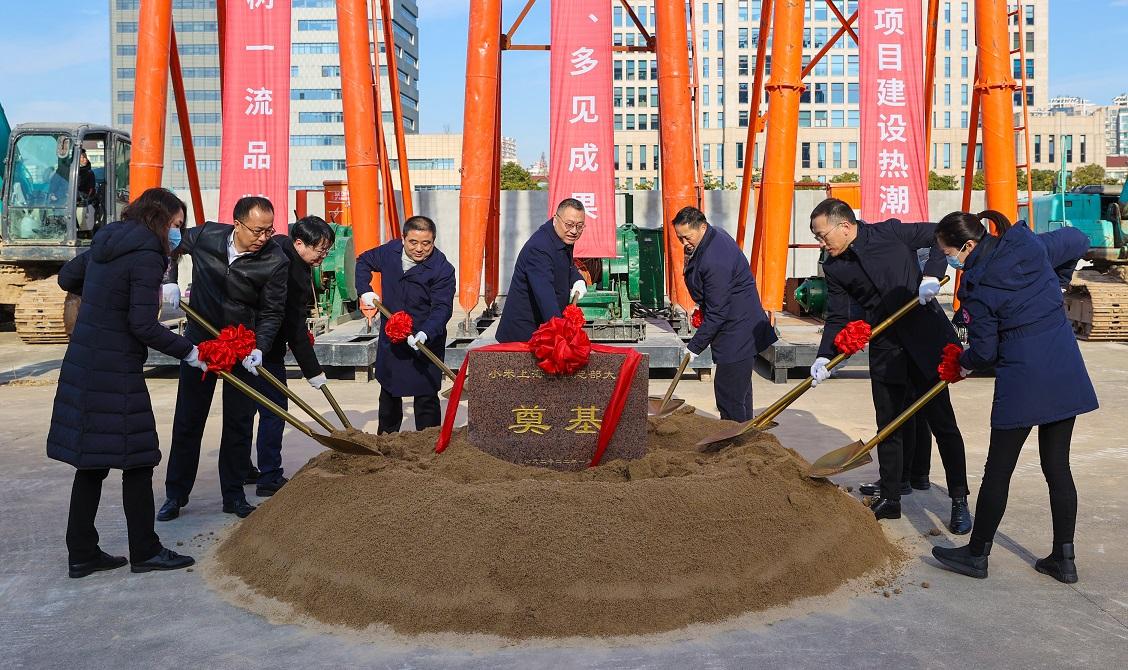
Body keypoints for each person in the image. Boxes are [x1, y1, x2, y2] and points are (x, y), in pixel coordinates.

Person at [930, 211, 1097, 582]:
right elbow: (1078, 240)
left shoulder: (978, 288)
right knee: (1057, 466)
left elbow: (985, 353)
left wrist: (962, 364)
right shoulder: (1029, 245)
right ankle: (1064, 559)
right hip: (1062, 365)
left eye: (949, 253)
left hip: (1023, 377)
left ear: (968, 246)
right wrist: (1057, 286)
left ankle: (977, 555)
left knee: (999, 469)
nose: (949, 260)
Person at [47, 187, 203, 577]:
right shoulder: (147, 254)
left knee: (92, 462)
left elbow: (67, 277)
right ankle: (145, 551)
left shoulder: (108, 241)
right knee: (139, 459)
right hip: (116, 370)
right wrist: (189, 351)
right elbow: (143, 325)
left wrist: (104, 296)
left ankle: (82, 553)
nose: (178, 233)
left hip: (85, 363)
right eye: (176, 224)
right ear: (160, 219)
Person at [808, 198, 971, 532]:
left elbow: (939, 236)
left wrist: (932, 274)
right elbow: (839, 315)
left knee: (942, 423)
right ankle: (891, 497)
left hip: (925, 340)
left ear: (844, 226)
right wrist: (825, 355)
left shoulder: (890, 232)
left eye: (823, 236)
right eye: (817, 238)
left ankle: (959, 499)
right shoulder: (835, 267)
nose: (821, 243)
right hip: (886, 347)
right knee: (889, 425)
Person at [158, 196, 289, 521]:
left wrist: (260, 347)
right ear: (237, 224)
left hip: (241, 346)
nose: (263, 238)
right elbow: (169, 245)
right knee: (188, 419)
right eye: (257, 231)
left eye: (269, 230)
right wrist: (169, 279)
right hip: (200, 343)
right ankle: (175, 494)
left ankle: (233, 495)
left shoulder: (275, 259)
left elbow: (272, 311)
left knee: (239, 423)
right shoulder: (206, 236)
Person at [247, 216, 336, 496]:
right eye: (320, 250)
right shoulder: (291, 272)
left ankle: (242, 467)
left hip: (244, 342)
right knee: (274, 410)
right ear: (299, 243)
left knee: (244, 411)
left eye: (327, 250)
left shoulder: (278, 246)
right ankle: (269, 476)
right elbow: (294, 327)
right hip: (264, 348)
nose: (323, 256)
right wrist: (313, 371)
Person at [671, 206, 777, 421]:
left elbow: (718, 312)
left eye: (687, 237)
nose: (684, 243)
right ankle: (743, 433)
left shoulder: (715, 258)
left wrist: (694, 346)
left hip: (739, 330)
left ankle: (733, 436)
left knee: (729, 395)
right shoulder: (711, 236)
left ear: (702, 227)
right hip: (738, 324)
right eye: (679, 238)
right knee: (740, 392)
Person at [356, 215, 456, 433]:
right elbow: (363, 261)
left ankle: (428, 445)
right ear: (403, 239)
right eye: (413, 242)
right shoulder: (389, 252)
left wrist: (426, 333)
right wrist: (364, 289)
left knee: (426, 396)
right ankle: (386, 442)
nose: (419, 249)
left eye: (426, 243)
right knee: (389, 393)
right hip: (392, 337)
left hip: (424, 339)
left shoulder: (442, 268)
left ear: (433, 241)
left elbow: (442, 308)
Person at [495, 198, 589, 343]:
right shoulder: (539, 249)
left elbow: (568, 266)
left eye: (580, 226)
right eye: (569, 225)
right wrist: (562, 333)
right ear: (556, 219)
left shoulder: (562, 237)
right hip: (523, 335)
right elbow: (545, 298)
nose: (574, 231)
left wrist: (577, 280)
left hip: (545, 327)